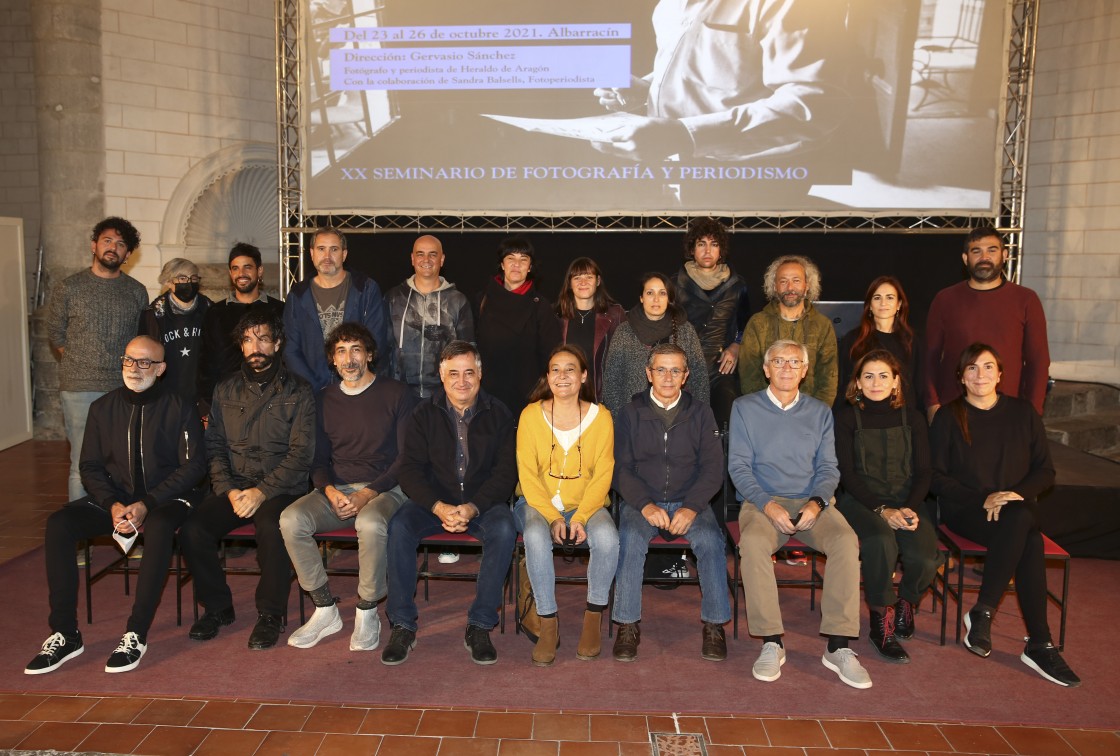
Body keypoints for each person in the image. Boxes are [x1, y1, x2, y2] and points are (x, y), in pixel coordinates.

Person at [25, 336, 205, 675]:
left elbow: (194, 467)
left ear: (161, 368)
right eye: (128, 360)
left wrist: (148, 503)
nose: (134, 369)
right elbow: (89, 467)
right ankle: (64, 632)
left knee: (161, 526)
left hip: (165, 499)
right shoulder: (102, 408)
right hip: (116, 499)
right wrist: (112, 504)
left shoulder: (179, 406)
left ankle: (136, 632)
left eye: (145, 362)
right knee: (59, 524)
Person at [930, 343, 1079, 687]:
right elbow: (935, 477)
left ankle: (985, 612)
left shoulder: (1023, 413)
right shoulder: (949, 417)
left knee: (1020, 521)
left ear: (1000, 374)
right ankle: (1039, 643)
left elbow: (1045, 471)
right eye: (971, 368)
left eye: (987, 367)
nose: (979, 375)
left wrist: (1013, 495)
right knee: (1026, 530)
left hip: (1015, 509)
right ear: (961, 378)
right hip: (967, 510)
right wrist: (985, 498)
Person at [729, 339, 870, 689]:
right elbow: (739, 467)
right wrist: (767, 504)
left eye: (795, 362)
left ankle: (838, 647)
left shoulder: (820, 411)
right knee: (754, 545)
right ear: (766, 369)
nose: (787, 368)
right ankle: (771, 641)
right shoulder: (745, 408)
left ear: (805, 371)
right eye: (779, 361)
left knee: (845, 541)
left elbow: (829, 468)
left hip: (812, 502)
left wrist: (817, 503)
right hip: (762, 502)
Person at [179, 309, 315, 650]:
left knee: (273, 527)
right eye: (248, 339)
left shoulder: (299, 391)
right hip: (236, 487)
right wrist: (229, 491)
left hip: (281, 489)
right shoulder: (225, 390)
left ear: (278, 343)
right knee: (194, 529)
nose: (256, 346)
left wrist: (261, 491)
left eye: (264, 339)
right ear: (241, 346)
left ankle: (271, 615)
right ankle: (217, 607)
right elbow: (214, 447)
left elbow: (301, 455)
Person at [279, 322, 417, 651]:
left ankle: (367, 609)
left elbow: (406, 459)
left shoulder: (397, 394)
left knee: (369, 522)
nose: (349, 358)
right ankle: (325, 608)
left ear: (369, 355)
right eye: (341, 351)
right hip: (336, 490)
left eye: (356, 349)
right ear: (332, 360)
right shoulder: (323, 399)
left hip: (386, 489)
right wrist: (330, 491)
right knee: (290, 519)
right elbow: (318, 461)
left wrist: (367, 494)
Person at [382, 341, 518, 666]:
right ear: (441, 376)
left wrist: (473, 507)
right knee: (399, 527)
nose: (462, 381)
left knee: (504, 529)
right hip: (434, 501)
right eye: (453, 373)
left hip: (482, 503)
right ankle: (402, 624)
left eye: (469, 372)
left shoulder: (499, 413)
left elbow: (506, 473)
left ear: (480, 374)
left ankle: (480, 624)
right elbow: (409, 470)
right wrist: (437, 506)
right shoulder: (422, 413)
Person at [591, 0, 848, 162]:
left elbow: (814, 104)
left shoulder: (791, 4)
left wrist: (684, 136)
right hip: (680, 162)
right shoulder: (668, 5)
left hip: (761, 173)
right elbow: (711, 69)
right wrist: (646, 89)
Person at [611, 344, 729, 663]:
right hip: (642, 502)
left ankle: (715, 624)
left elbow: (713, 468)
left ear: (685, 375)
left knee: (710, 540)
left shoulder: (701, 413)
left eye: (675, 370)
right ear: (648, 374)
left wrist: (691, 507)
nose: (667, 376)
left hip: (690, 501)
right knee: (631, 539)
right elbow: (621, 468)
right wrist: (646, 505)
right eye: (660, 369)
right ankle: (626, 623)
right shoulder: (630, 413)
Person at [514, 344, 617, 666]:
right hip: (535, 504)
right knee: (534, 535)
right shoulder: (530, 415)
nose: (562, 376)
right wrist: (554, 518)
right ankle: (547, 621)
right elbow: (528, 476)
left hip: (588, 504)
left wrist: (582, 516)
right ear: (547, 376)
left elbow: (604, 473)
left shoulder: (602, 418)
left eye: (570, 369)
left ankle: (593, 619)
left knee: (608, 539)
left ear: (584, 376)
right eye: (555, 369)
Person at [834, 350, 939, 664]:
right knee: (881, 542)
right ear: (858, 382)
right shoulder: (846, 416)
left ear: (896, 382)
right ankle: (882, 621)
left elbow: (924, 472)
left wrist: (907, 508)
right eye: (868, 376)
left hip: (908, 500)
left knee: (925, 557)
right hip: (862, 502)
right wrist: (883, 510)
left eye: (883, 376)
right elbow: (847, 474)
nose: (875, 382)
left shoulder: (913, 417)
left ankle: (906, 600)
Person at [47, 216, 149, 500]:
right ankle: (80, 537)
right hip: (80, 389)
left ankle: (126, 532)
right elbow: (56, 335)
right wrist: (83, 359)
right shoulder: (68, 288)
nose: (112, 248)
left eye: (120, 244)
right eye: (107, 241)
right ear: (94, 245)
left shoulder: (136, 291)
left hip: (123, 388)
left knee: (126, 463)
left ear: (128, 254)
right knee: (82, 464)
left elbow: (141, 338)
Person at [924, 226, 1049, 420]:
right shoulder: (945, 299)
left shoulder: (1026, 300)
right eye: (977, 251)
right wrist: (932, 403)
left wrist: (1033, 411)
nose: (985, 257)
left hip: (1010, 412)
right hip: (954, 411)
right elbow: (929, 358)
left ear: (1005, 255)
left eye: (992, 250)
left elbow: (1038, 362)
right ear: (966, 258)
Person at [283, 226, 390, 391]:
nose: (327, 256)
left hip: (359, 388)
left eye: (334, 249)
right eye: (321, 249)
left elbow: (375, 342)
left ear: (344, 254)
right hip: (312, 392)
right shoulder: (297, 295)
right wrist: (315, 387)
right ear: (311, 253)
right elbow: (291, 349)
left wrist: (354, 382)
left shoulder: (366, 289)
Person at [473, 235, 561, 419]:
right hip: (486, 397)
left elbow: (552, 355)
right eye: (510, 258)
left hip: (528, 400)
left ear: (530, 267)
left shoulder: (541, 306)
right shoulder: (482, 300)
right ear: (502, 265)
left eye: (523, 260)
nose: (516, 265)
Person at [674, 218, 750, 428]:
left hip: (721, 369)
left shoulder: (737, 285)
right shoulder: (674, 284)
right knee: (684, 428)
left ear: (721, 250)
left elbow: (745, 324)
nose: (708, 250)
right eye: (701, 244)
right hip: (685, 368)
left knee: (728, 422)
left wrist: (737, 345)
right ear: (692, 249)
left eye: (714, 244)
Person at [602, 272, 709, 417]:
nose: (656, 299)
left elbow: (699, 377)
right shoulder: (624, 331)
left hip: (680, 417)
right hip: (634, 418)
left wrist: (698, 416)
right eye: (650, 293)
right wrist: (620, 418)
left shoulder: (685, 329)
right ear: (641, 298)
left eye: (662, 293)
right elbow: (612, 381)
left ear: (670, 298)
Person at [198, 242, 285, 415]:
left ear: (259, 271)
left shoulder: (280, 310)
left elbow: (286, 357)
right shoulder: (215, 312)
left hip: (271, 402)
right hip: (226, 403)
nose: (241, 274)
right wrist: (207, 406)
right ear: (230, 273)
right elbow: (205, 362)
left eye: (247, 267)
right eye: (235, 268)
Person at [739, 254, 837, 406]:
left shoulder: (822, 325)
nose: (790, 288)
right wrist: (765, 409)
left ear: (807, 285)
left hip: (809, 414)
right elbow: (748, 375)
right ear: (774, 286)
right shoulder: (758, 323)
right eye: (783, 281)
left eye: (796, 281)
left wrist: (817, 412)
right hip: (766, 412)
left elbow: (828, 377)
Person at [385, 234, 475, 399]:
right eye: (420, 254)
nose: (426, 259)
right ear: (412, 259)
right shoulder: (393, 298)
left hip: (444, 396)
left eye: (433, 254)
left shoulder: (458, 300)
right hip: (400, 394)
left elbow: (468, 351)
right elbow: (383, 348)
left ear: (442, 259)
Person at [837, 276, 920, 409]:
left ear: (899, 304)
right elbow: (845, 383)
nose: (883, 303)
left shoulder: (911, 340)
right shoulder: (853, 340)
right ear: (869, 305)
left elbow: (918, 383)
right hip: (862, 415)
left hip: (902, 415)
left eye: (890, 297)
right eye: (877, 298)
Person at [138, 258, 212, 405]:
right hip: (164, 398)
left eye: (193, 278)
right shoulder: (153, 315)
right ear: (168, 282)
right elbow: (144, 359)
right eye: (182, 278)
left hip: (201, 398)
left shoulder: (211, 311)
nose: (189, 283)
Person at [555, 257, 624, 402]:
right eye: (577, 277)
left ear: (598, 281)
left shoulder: (615, 315)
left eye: (589, 277)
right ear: (569, 283)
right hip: (564, 399)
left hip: (602, 400)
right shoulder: (555, 317)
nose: (583, 282)